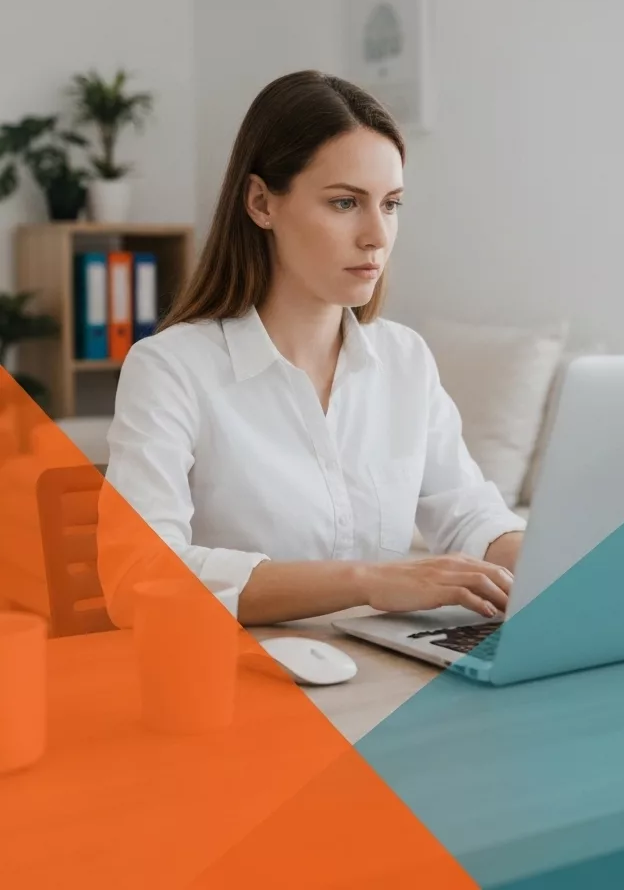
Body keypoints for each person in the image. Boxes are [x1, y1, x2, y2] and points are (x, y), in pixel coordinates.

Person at [98, 70, 525, 627]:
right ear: (260, 203)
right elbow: (140, 577)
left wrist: (556, 570)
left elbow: (470, 515)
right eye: (346, 203)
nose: (377, 235)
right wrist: (369, 582)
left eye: (391, 204)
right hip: (243, 684)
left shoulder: (404, 360)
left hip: (383, 677)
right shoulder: (171, 369)